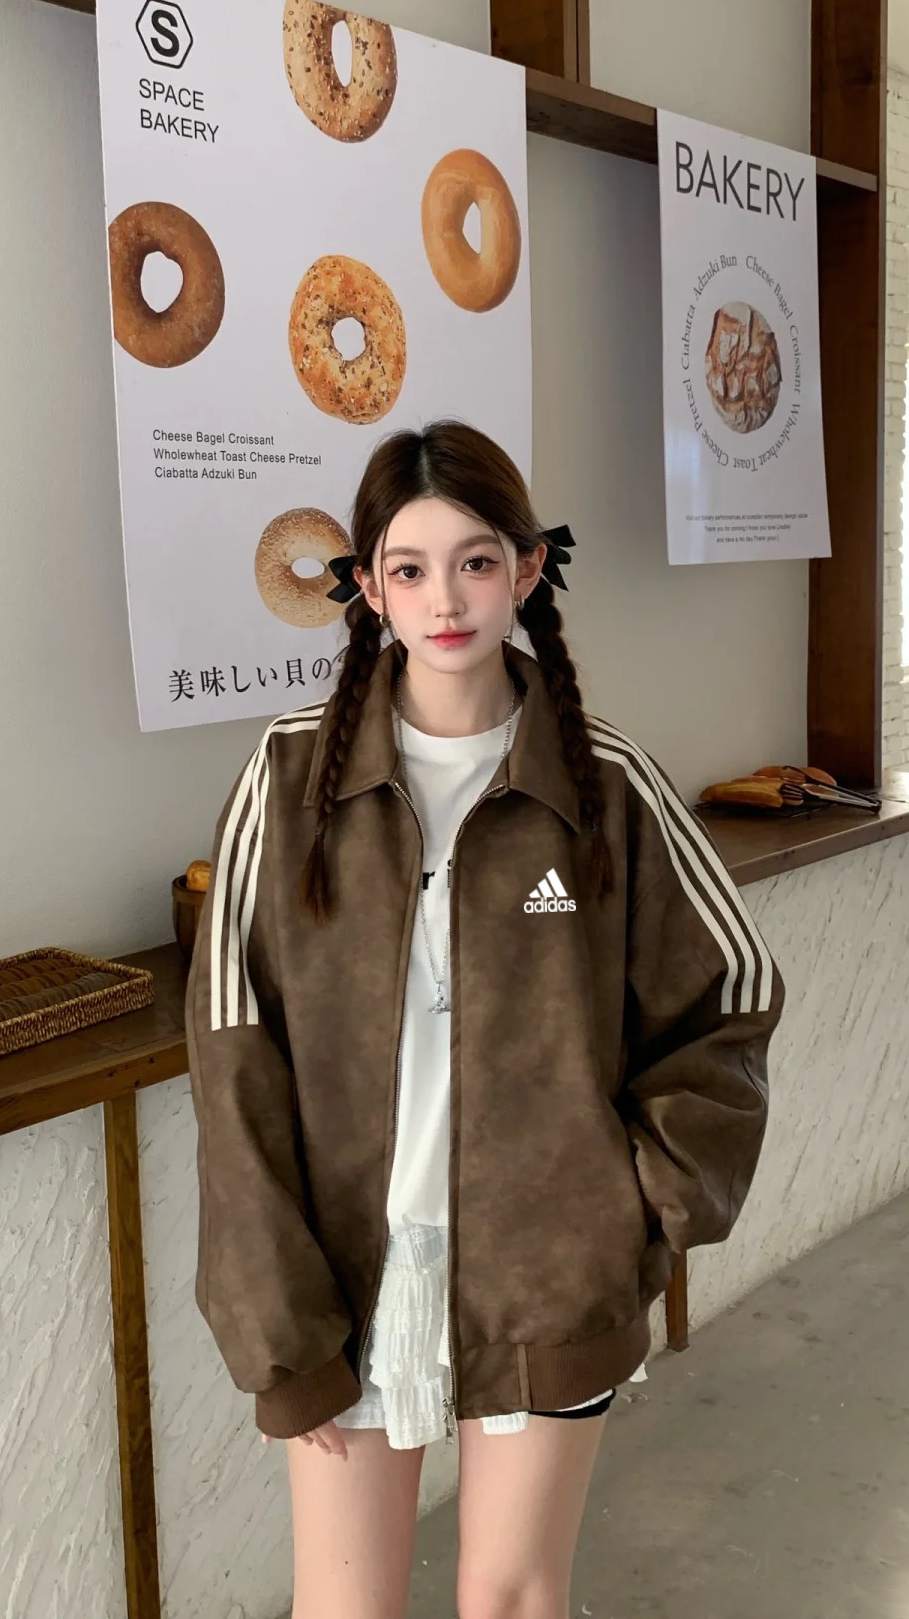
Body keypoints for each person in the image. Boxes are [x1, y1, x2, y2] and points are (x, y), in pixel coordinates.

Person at [185, 418, 786, 1619]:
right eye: (409, 569)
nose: (445, 599)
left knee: (512, 1597)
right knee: (344, 1608)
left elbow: (733, 991)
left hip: (549, 1274)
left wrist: (640, 1206)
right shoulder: (288, 779)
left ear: (526, 568)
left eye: (474, 561)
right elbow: (232, 1051)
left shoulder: (606, 784)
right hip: (346, 1277)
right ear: (368, 589)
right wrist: (272, 1312)